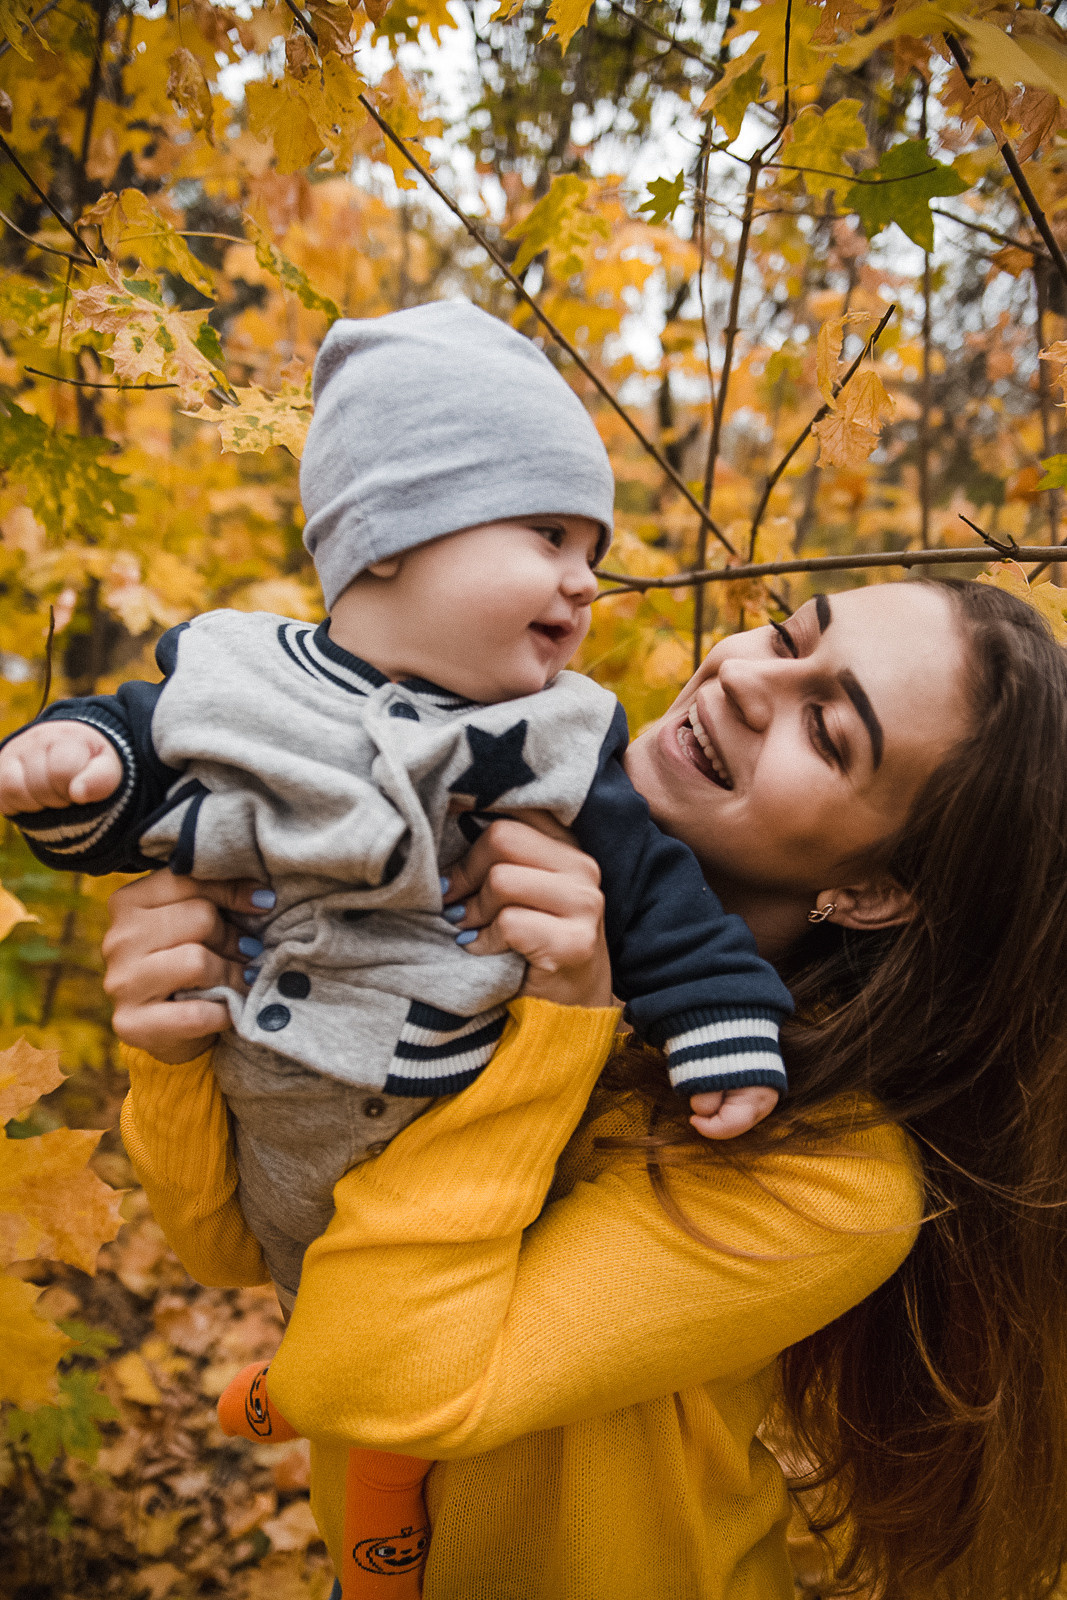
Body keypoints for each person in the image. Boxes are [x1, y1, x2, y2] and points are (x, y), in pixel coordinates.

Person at [0, 303, 793, 1596]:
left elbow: (655, 898)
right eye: (545, 534)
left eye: (591, 546)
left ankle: (335, 1460)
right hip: (267, 1128)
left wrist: (718, 1016)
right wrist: (83, 765)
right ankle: (308, 1385)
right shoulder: (240, 680)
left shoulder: (554, 741)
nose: (585, 578)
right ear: (388, 539)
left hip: (450, 1164)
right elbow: (139, 767)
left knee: (388, 1395)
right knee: (335, 1324)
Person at [102, 574, 1067, 1600]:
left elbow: (370, 1374)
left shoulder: (829, 1170)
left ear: (871, 891)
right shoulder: (460, 883)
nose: (745, 676)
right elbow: (230, 1247)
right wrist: (178, 1039)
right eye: (784, 633)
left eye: (825, 728)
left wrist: (562, 1023)